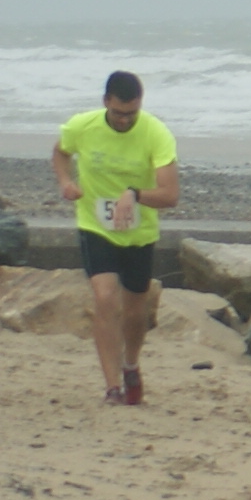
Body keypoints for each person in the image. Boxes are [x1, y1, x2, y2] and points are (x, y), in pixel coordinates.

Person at [53, 70, 180, 406]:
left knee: (135, 311)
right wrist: (65, 181)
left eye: (132, 113)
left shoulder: (156, 133)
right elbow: (61, 152)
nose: (125, 120)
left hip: (139, 232)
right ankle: (112, 387)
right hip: (96, 225)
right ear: (106, 102)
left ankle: (131, 364)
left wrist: (134, 194)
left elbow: (170, 195)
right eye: (119, 113)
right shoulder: (82, 126)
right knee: (105, 298)